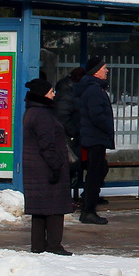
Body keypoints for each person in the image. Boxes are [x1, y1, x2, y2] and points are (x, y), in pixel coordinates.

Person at [22, 75, 72, 255]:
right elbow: (47, 144)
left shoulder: (32, 111)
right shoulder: (43, 115)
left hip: (35, 167)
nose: (53, 95)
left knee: (39, 210)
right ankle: (54, 245)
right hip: (45, 168)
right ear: (43, 94)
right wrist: (56, 166)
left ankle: (38, 245)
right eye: (51, 92)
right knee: (54, 208)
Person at [75, 57, 114, 224]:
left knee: (97, 171)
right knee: (94, 174)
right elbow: (97, 115)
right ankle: (88, 211)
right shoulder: (94, 90)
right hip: (95, 138)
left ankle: (88, 207)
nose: (106, 70)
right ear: (96, 71)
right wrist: (107, 128)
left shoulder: (91, 88)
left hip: (92, 137)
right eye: (104, 68)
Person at [53, 65, 84, 202]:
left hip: (72, 138)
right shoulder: (67, 93)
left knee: (73, 169)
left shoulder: (71, 91)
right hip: (68, 139)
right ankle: (63, 200)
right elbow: (63, 116)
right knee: (69, 169)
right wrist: (74, 132)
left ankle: (67, 198)